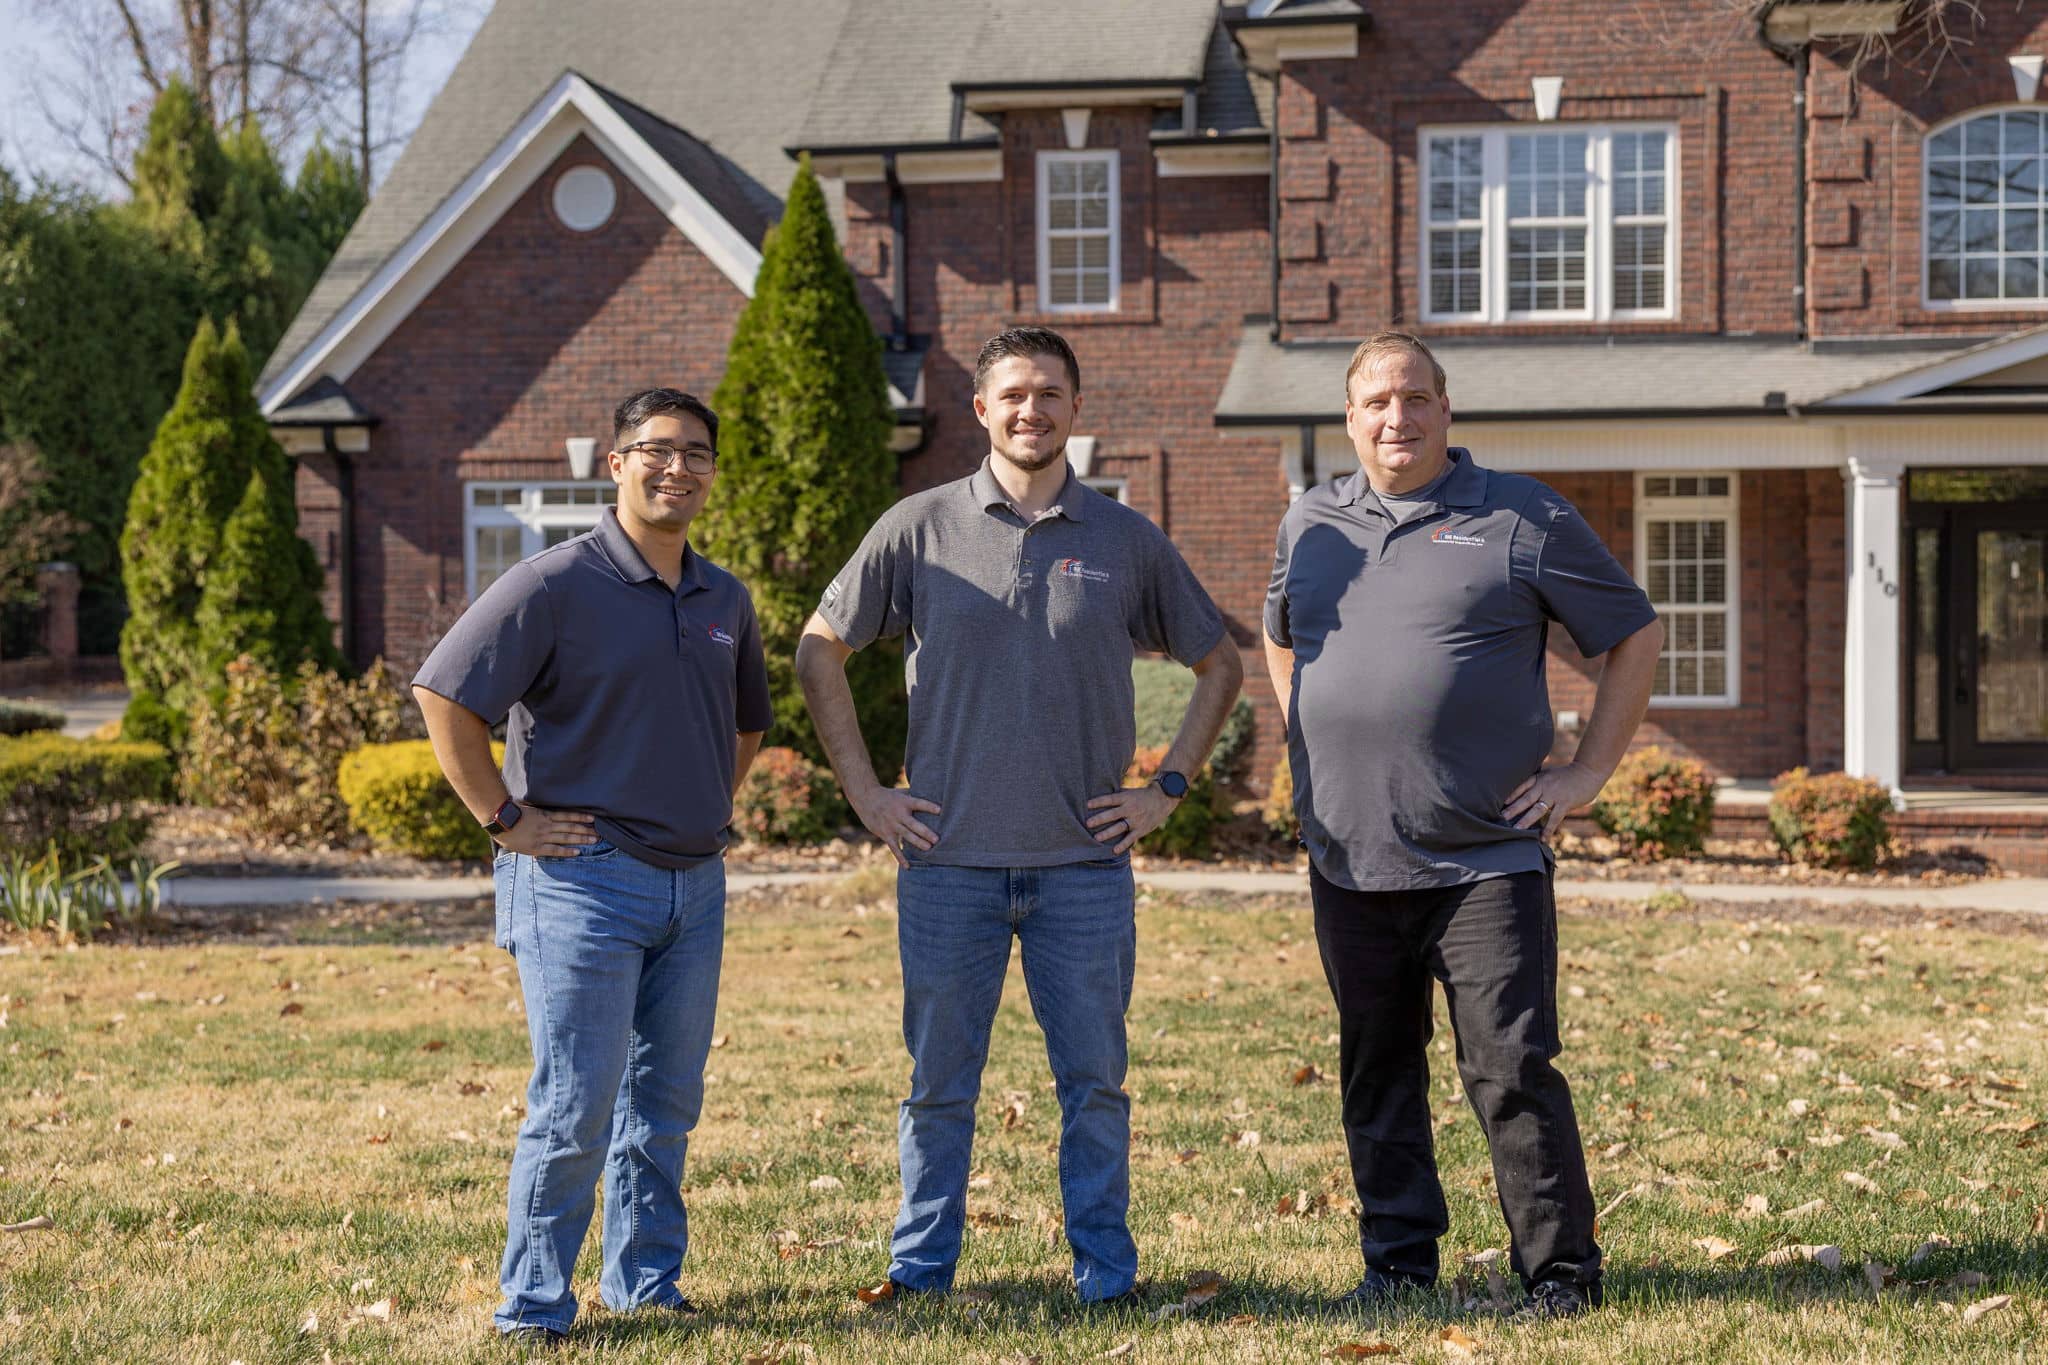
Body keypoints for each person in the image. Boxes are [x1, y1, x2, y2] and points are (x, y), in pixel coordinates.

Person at [794, 326, 1243, 1304]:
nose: (1029, 410)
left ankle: (1104, 1275)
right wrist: (867, 793)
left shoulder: (1124, 540)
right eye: (1011, 395)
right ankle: (918, 1276)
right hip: (945, 866)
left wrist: (1163, 790)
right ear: (982, 410)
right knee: (937, 1090)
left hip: (1082, 871)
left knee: (1092, 1089)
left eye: (1048, 393)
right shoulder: (917, 526)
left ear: (1074, 410)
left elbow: (1220, 664)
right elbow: (817, 647)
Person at [1262, 332, 1663, 1321]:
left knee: (1509, 1069)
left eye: (1412, 399)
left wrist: (1588, 771)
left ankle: (1559, 1277)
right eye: (1373, 403)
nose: (1394, 418)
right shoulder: (1307, 521)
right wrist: (1312, 747)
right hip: (1348, 855)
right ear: (1348, 419)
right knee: (1375, 1066)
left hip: (1483, 857)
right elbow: (1281, 638)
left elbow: (1631, 633)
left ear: (1445, 409)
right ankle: (1397, 1267)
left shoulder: (1521, 514)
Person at [412, 388, 771, 1342]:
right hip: (581, 879)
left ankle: (643, 1283)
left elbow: (746, 723)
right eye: (657, 450)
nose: (678, 468)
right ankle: (532, 1306)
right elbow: (443, 693)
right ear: (615, 464)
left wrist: (703, 801)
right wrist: (502, 815)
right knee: (574, 1104)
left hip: (695, 885)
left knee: (664, 1102)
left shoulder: (723, 597)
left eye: (697, 453)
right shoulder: (553, 584)